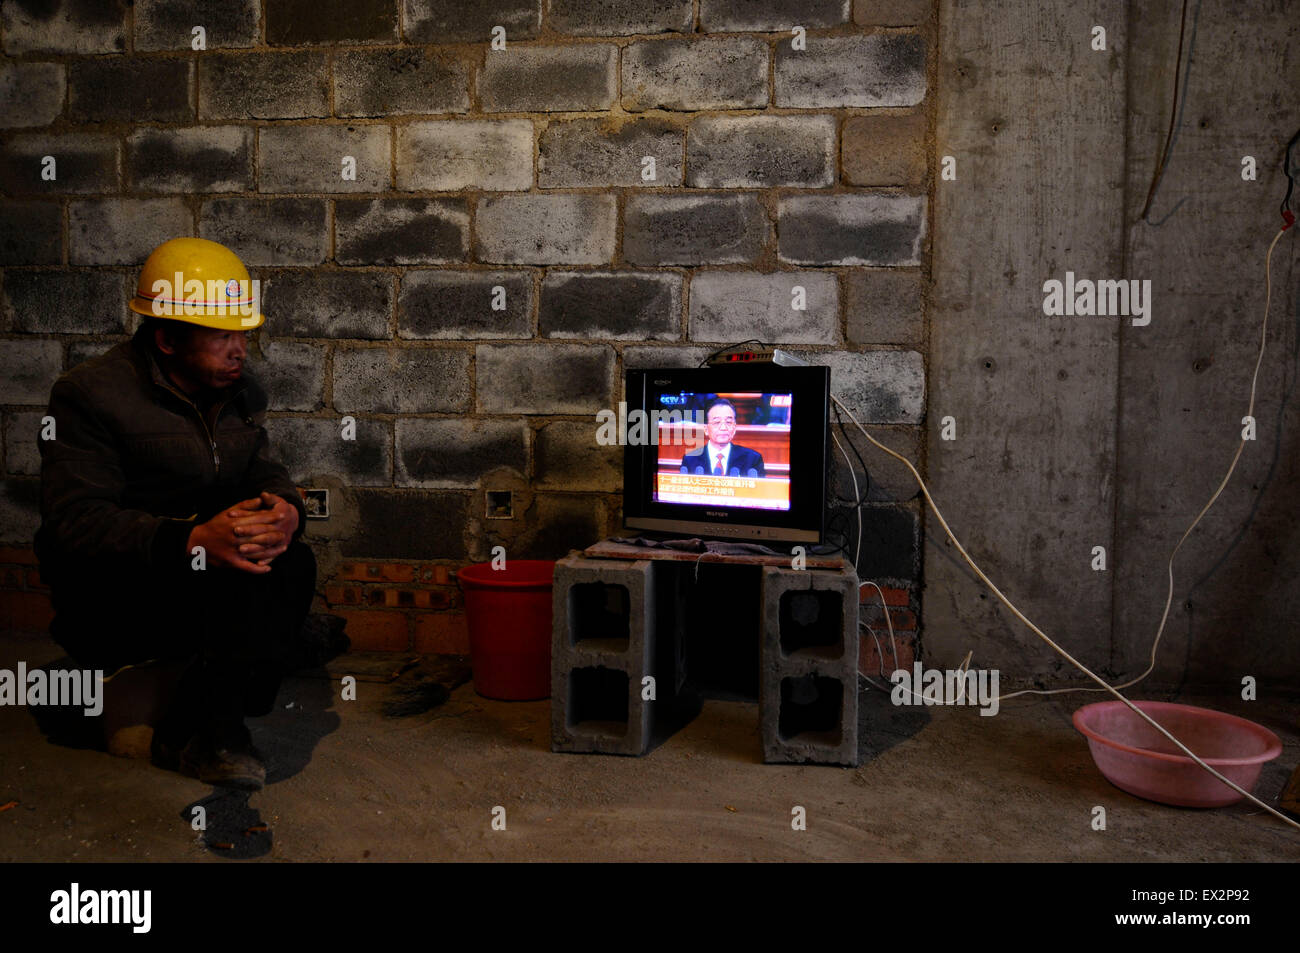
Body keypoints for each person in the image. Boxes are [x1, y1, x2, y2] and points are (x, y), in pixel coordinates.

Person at [34, 237, 314, 791]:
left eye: (243, 334)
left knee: (292, 563)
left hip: (205, 578)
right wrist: (190, 542)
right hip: (118, 588)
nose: (239, 350)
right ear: (165, 338)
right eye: (221, 335)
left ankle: (204, 702)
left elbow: (264, 472)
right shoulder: (89, 394)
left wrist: (286, 511)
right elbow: (75, 521)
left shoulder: (236, 391)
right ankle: (210, 733)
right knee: (237, 592)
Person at [680, 397, 766, 477]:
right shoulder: (690, 459)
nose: (723, 428)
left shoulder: (752, 459)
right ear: (706, 429)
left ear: (735, 428)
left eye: (728, 422)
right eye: (717, 422)